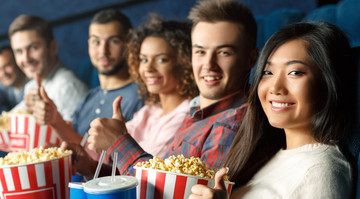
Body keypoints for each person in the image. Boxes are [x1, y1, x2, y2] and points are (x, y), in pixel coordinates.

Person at [187, 22, 354, 199]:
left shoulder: (321, 171)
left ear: (329, 82)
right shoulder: (271, 153)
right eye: (267, 72)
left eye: (295, 72)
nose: (275, 87)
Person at [65, 0, 259, 179]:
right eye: (200, 51)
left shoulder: (230, 124)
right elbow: (162, 174)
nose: (208, 64)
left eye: (224, 52)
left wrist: (119, 144)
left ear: (251, 59)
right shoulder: (198, 111)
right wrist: (92, 168)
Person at [86, 15, 198, 160]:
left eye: (161, 59)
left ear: (184, 63)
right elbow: (101, 152)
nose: (148, 68)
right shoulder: (150, 110)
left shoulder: (187, 116)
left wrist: (114, 141)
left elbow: (147, 168)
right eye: (144, 59)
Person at [31, 9, 144, 146]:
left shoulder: (138, 97)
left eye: (113, 41)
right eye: (96, 42)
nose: (103, 51)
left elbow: (115, 161)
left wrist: (56, 120)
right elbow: (79, 151)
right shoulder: (89, 98)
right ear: (89, 44)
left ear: (129, 44)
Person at [9, 14, 88, 121]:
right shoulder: (31, 86)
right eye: (19, 51)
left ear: (53, 47)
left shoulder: (67, 86)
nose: (26, 58)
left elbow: (83, 137)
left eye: (33, 48)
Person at [0, 45, 27, 111]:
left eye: (7, 66)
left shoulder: (35, 84)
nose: (3, 73)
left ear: (17, 62)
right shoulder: (3, 87)